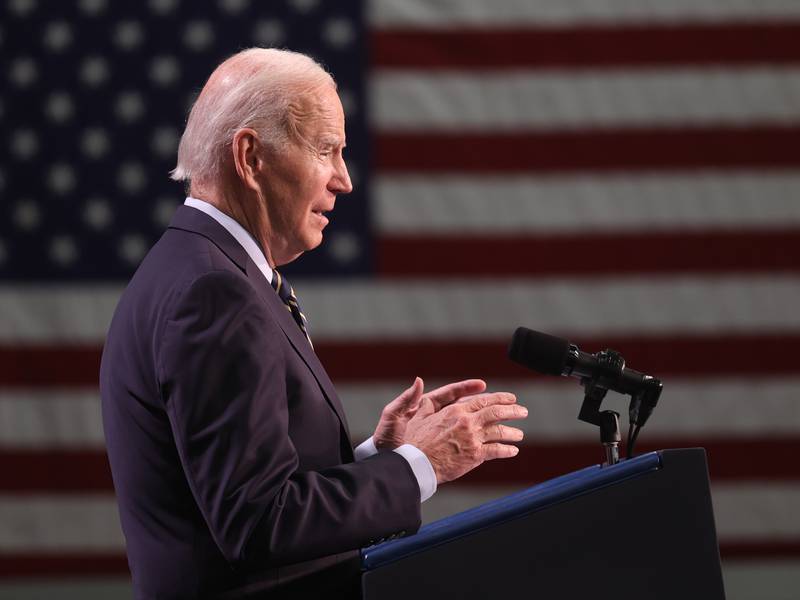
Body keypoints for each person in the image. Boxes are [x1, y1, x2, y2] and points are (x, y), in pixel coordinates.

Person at [100, 48, 528, 599]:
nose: (344, 180)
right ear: (250, 157)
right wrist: (423, 463)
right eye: (326, 150)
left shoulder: (197, 268)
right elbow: (256, 522)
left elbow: (259, 492)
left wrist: (380, 460)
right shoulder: (213, 292)